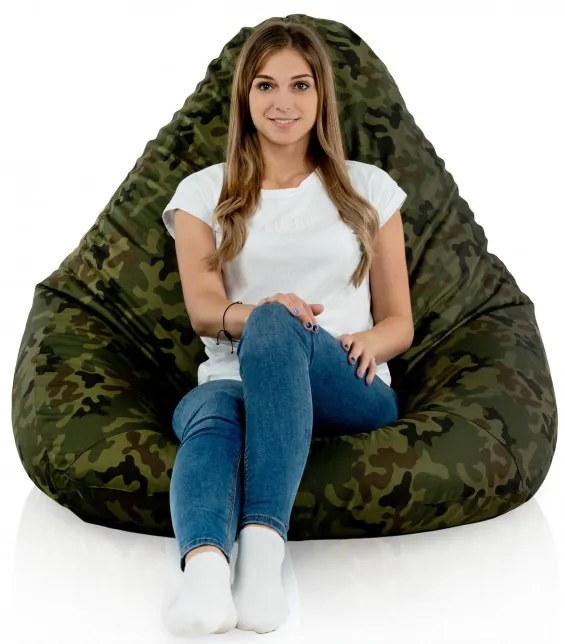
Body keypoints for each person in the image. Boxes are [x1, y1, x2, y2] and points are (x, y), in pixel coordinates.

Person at [161, 18, 413, 637]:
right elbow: (204, 309)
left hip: (343, 378)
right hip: (235, 376)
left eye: (301, 85)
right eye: (266, 85)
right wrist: (264, 315)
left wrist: (367, 342)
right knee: (215, 412)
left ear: (321, 95)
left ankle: (261, 559)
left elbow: (399, 321)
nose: (284, 102)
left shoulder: (369, 188)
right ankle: (204, 575)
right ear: (244, 96)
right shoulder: (203, 193)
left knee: (276, 324)